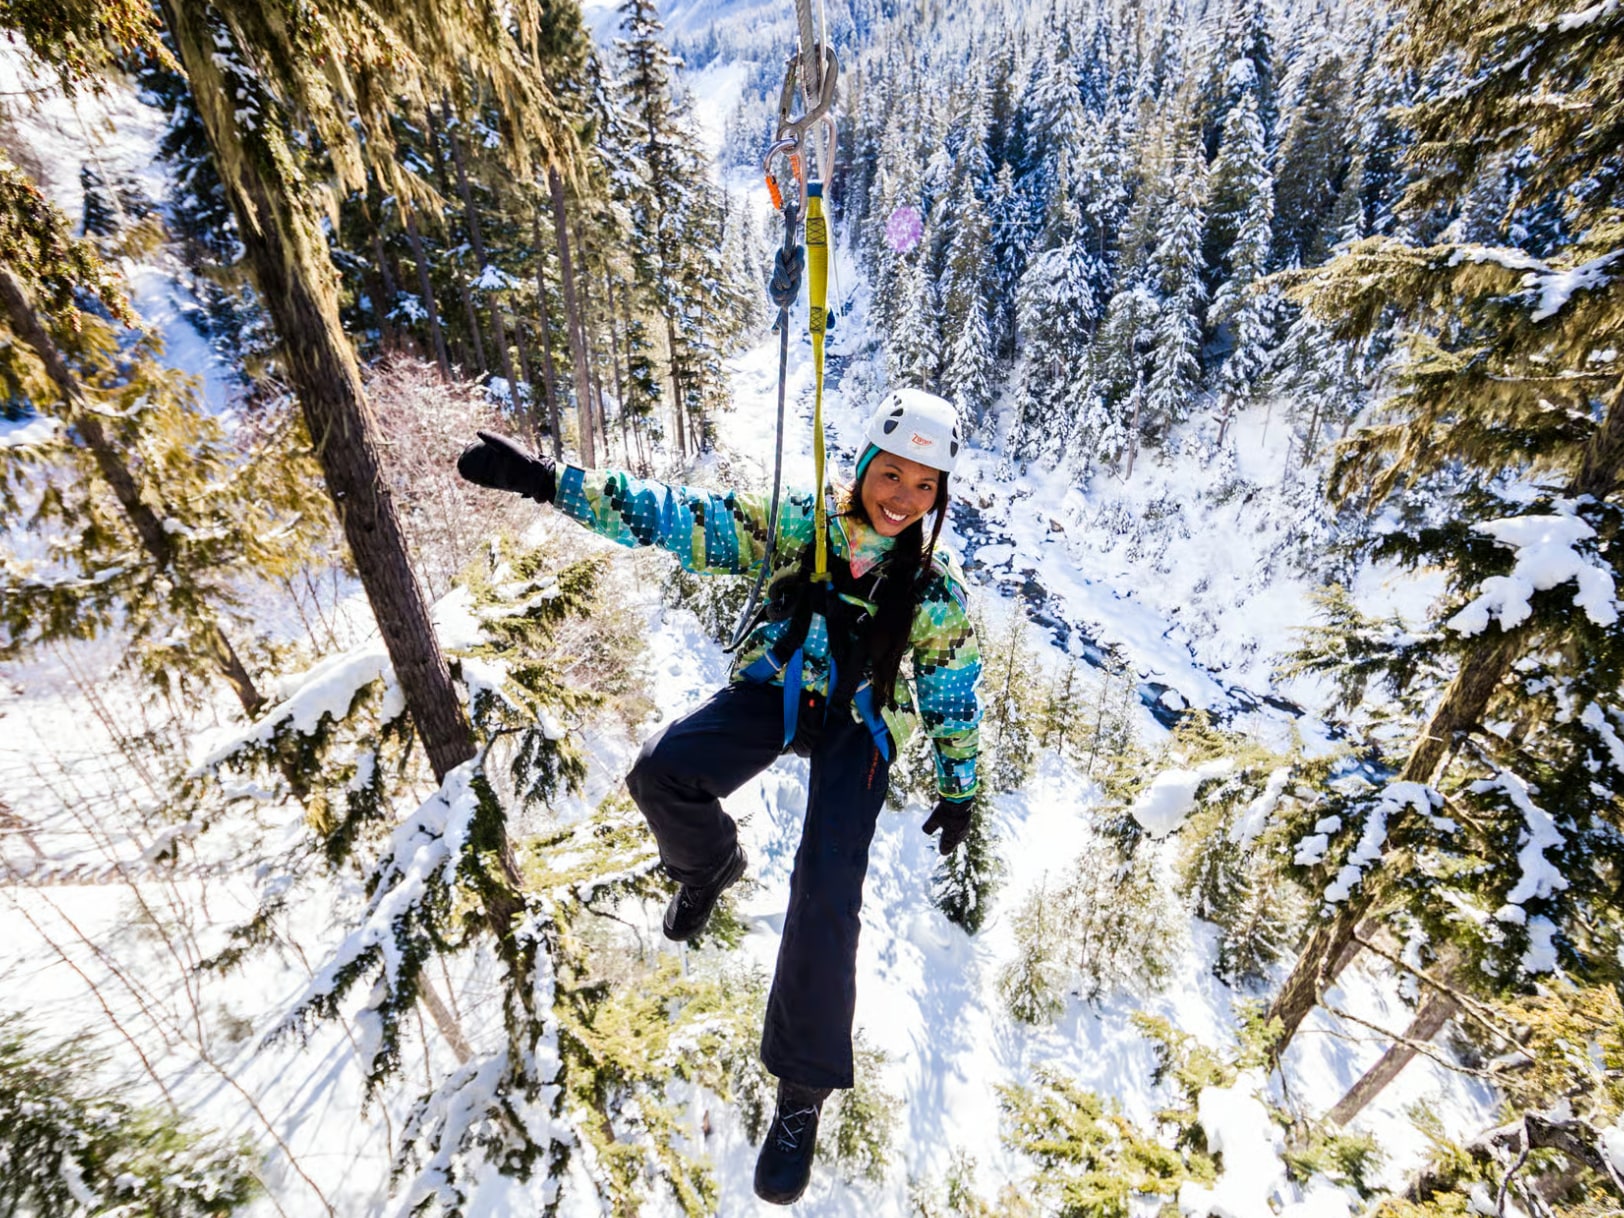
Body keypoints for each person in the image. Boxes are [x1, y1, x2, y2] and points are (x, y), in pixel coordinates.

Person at [456, 387, 982, 1206]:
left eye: (925, 488)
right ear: (866, 465)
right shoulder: (802, 527)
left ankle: (801, 1095)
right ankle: (708, 865)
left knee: (828, 886)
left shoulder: (934, 591)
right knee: (660, 771)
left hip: (861, 726)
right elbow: (678, 519)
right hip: (786, 687)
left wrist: (962, 789)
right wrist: (548, 481)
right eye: (894, 475)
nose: (904, 499)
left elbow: (951, 689)